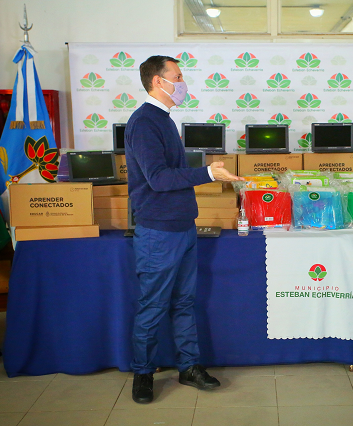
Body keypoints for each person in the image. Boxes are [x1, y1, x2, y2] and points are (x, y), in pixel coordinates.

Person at [125, 55, 243, 404]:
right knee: (153, 305)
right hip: (158, 231)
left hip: (182, 226)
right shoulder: (144, 122)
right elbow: (159, 179)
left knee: (184, 303)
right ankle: (143, 373)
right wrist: (208, 173)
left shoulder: (163, 119)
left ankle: (189, 366)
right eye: (177, 77)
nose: (182, 83)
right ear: (157, 81)